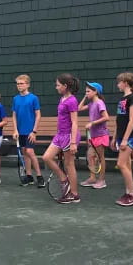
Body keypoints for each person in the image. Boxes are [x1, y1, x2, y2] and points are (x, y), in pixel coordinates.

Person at [42, 73, 81, 203]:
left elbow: (75, 122)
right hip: (59, 135)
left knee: (69, 164)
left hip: (70, 136)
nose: (56, 87)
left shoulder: (72, 100)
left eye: (58, 85)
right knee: (46, 157)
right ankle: (63, 179)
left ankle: (74, 194)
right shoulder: (62, 98)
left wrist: (74, 142)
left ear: (65, 86)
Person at [111, 72, 133, 206]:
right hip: (121, 136)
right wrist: (115, 137)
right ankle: (128, 191)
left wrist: (125, 139)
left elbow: (131, 120)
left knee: (121, 164)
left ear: (126, 83)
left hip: (129, 137)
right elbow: (120, 120)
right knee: (126, 164)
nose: (118, 85)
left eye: (119, 82)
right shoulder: (122, 99)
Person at [12, 74, 45, 188]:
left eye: (21, 83)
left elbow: (38, 115)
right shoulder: (15, 99)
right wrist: (15, 130)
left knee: (30, 152)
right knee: (25, 153)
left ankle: (40, 177)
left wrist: (34, 131)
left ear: (28, 85)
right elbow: (14, 115)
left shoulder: (33, 98)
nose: (19, 86)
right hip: (20, 132)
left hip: (30, 132)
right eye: (18, 84)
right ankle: (29, 176)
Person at [78, 82, 109, 189]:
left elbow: (106, 117)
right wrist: (85, 97)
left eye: (88, 91)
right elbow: (79, 108)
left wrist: (92, 123)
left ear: (96, 92)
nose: (86, 93)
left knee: (100, 158)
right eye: (85, 91)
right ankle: (92, 178)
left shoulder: (100, 103)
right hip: (93, 135)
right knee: (91, 156)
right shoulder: (91, 103)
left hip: (100, 134)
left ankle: (102, 180)